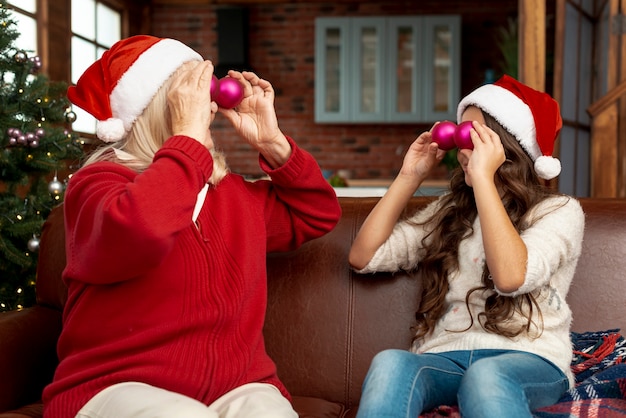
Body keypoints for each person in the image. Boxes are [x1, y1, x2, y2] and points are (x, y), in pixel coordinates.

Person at [42, 35, 341, 418]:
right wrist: (186, 140)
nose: (210, 107)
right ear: (159, 110)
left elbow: (316, 213)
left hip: (237, 387)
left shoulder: (233, 195)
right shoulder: (98, 186)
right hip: (114, 387)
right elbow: (141, 228)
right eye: (192, 95)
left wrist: (273, 142)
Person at [349, 75, 584, 418]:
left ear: (508, 145)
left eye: (474, 135)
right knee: (390, 363)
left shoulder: (558, 212)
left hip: (530, 358)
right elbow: (363, 257)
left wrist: (485, 181)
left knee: (485, 375)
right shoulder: (451, 210)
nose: (462, 146)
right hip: (446, 357)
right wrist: (409, 176)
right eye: (460, 133)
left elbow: (510, 278)